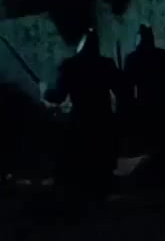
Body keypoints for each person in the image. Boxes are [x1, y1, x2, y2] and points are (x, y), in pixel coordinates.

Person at [43, 29, 121, 203]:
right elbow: (121, 87)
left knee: (82, 161)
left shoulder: (71, 66)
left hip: (82, 119)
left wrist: (45, 91)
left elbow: (58, 96)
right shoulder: (106, 64)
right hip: (102, 119)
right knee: (100, 162)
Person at [122, 25, 165, 177]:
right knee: (158, 134)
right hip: (160, 101)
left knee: (152, 134)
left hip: (147, 100)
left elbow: (127, 84)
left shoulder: (134, 58)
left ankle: (157, 164)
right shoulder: (162, 55)